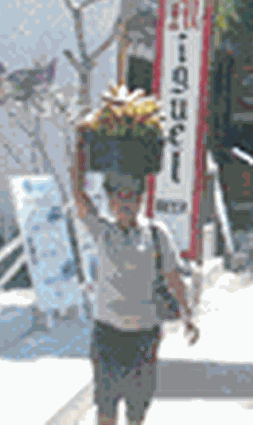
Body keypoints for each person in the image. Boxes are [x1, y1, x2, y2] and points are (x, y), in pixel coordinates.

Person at [73, 170, 199, 425]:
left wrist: (187, 314)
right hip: (107, 335)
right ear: (110, 202)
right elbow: (79, 196)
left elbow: (173, 276)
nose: (125, 205)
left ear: (141, 200)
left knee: (136, 411)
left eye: (131, 198)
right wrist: (79, 148)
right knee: (106, 408)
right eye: (119, 199)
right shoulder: (103, 231)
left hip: (144, 337)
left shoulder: (156, 233)